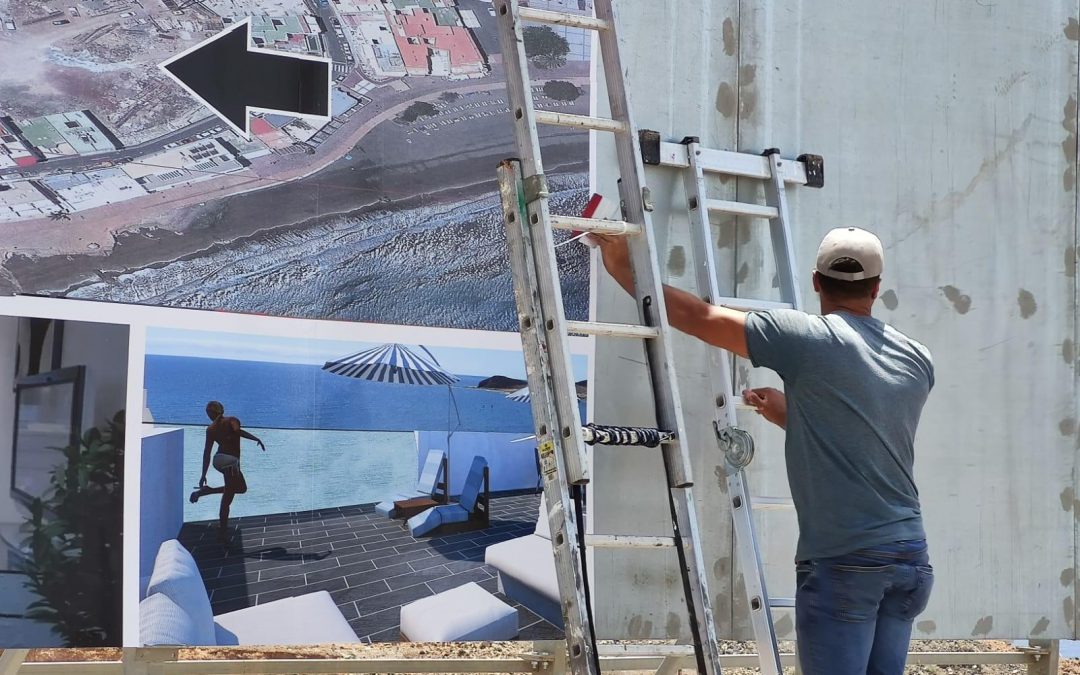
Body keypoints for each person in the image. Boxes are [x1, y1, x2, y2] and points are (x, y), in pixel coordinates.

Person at [592, 226, 934, 675]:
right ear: (876, 288)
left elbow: (699, 317)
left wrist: (623, 267)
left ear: (816, 281)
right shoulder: (916, 358)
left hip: (847, 562)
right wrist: (792, 412)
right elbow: (868, 430)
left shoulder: (805, 338)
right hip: (910, 561)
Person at [189, 401, 266, 545]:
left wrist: (203, 474)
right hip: (230, 461)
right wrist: (256, 438)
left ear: (211, 414)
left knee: (241, 488)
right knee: (227, 500)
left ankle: (206, 491)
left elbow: (207, 452)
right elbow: (238, 431)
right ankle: (222, 535)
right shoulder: (232, 420)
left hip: (219, 460)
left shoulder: (210, 429)